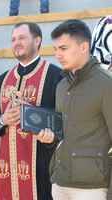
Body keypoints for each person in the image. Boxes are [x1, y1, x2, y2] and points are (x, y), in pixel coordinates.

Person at [0, 22, 62, 200]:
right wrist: (2, 119)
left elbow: (65, 121)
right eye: (13, 39)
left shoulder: (55, 76)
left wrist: (52, 137)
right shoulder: (4, 79)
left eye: (22, 38)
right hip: (7, 168)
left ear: (37, 40)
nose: (16, 42)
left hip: (41, 167)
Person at [50, 19, 112, 200]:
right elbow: (61, 134)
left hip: (92, 189)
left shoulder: (106, 84)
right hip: (60, 184)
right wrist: (49, 138)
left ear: (84, 47)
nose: (57, 55)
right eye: (55, 49)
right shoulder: (61, 86)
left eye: (63, 48)